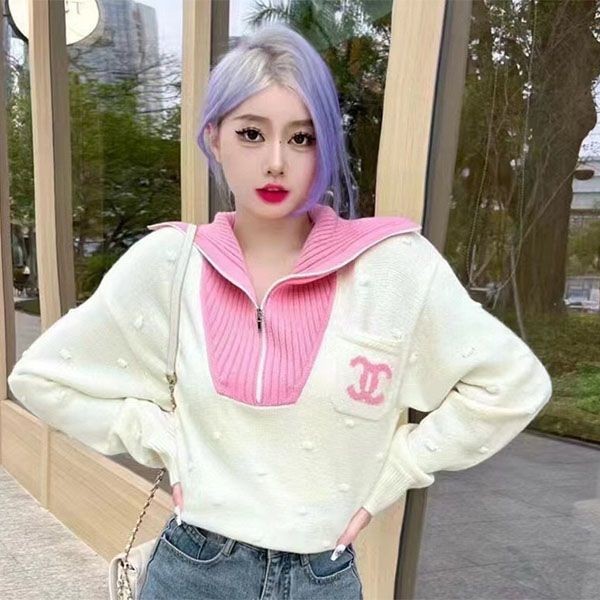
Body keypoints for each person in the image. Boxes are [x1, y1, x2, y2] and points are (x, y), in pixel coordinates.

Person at [7, 21, 553, 600]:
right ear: (214, 138)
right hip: (193, 567)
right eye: (251, 133)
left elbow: (513, 386)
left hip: (323, 576)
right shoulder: (170, 263)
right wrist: (157, 436)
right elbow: (39, 378)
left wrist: (398, 470)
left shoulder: (393, 268)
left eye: (301, 138)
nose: (275, 162)